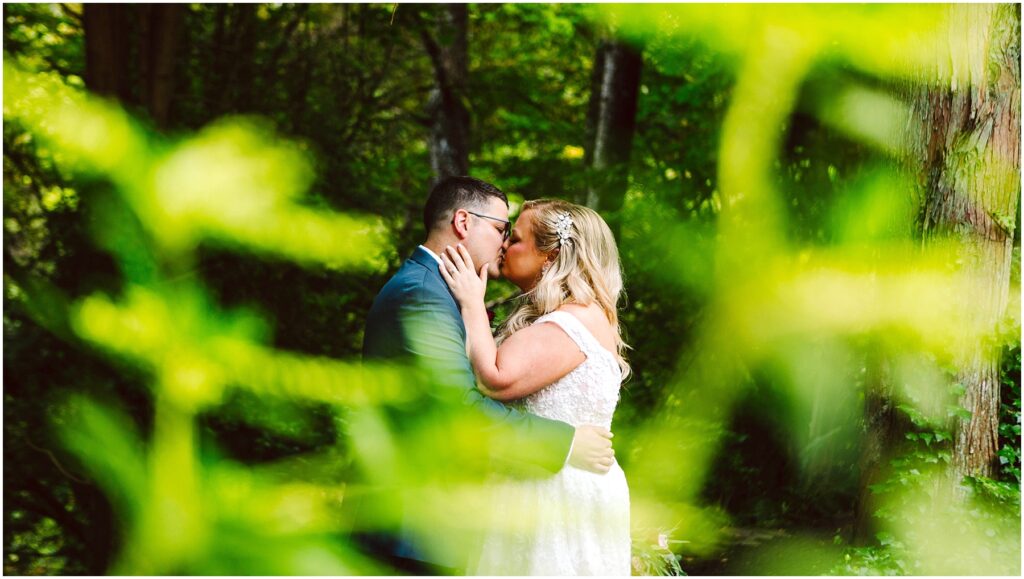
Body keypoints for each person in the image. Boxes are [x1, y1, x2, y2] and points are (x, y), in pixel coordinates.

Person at [360, 177, 616, 574]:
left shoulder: (435, 290)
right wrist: (566, 444)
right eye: (501, 230)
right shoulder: (424, 294)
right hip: (414, 525)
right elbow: (459, 410)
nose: (502, 243)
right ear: (463, 223)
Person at [439, 198, 631, 575]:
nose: (505, 244)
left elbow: (494, 378)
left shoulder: (573, 319)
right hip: (546, 481)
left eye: (518, 238)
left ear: (551, 255)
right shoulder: (573, 315)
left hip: (556, 492)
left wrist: (471, 303)